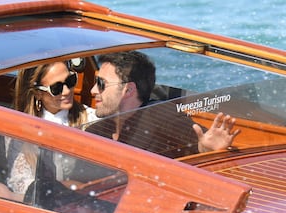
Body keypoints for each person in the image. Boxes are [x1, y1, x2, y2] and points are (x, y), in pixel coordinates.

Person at [86, 51, 240, 158]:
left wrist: (205, 149)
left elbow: (199, 140)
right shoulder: (96, 131)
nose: (93, 90)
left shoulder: (160, 114)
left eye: (101, 83)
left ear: (129, 90)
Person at [5, 61, 98, 197]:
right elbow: (21, 183)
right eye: (56, 88)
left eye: (71, 81)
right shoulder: (17, 129)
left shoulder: (91, 120)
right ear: (38, 94)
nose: (67, 91)